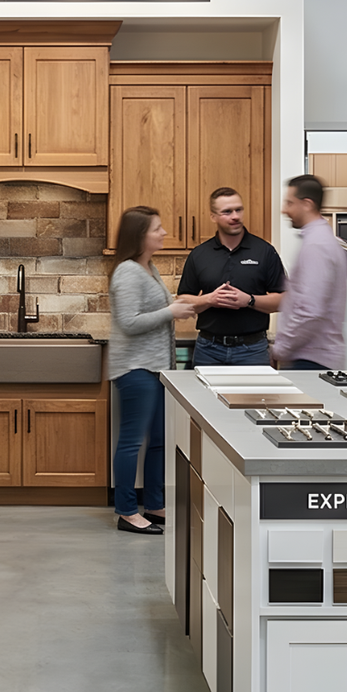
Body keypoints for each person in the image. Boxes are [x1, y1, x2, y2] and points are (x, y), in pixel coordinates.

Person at [106, 205, 197, 534]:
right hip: (136, 368)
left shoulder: (149, 268)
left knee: (159, 440)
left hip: (157, 369)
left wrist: (185, 306)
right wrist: (172, 312)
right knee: (132, 441)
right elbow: (128, 323)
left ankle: (155, 504)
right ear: (139, 235)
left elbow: (159, 310)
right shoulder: (128, 272)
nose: (163, 233)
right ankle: (127, 511)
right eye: (157, 228)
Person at [176, 186, 285, 367]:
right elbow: (183, 300)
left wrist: (249, 300)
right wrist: (209, 300)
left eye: (238, 210)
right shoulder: (199, 254)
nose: (235, 216)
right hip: (209, 349)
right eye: (227, 212)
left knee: (254, 397)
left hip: (253, 350)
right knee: (205, 397)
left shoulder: (265, 252)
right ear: (213, 217)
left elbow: (284, 300)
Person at [271, 174, 347, 371]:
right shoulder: (322, 241)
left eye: (289, 203)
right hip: (312, 356)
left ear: (307, 204)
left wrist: (280, 348)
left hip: (311, 359)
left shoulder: (316, 246)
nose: (284, 210)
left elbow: (310, 311)